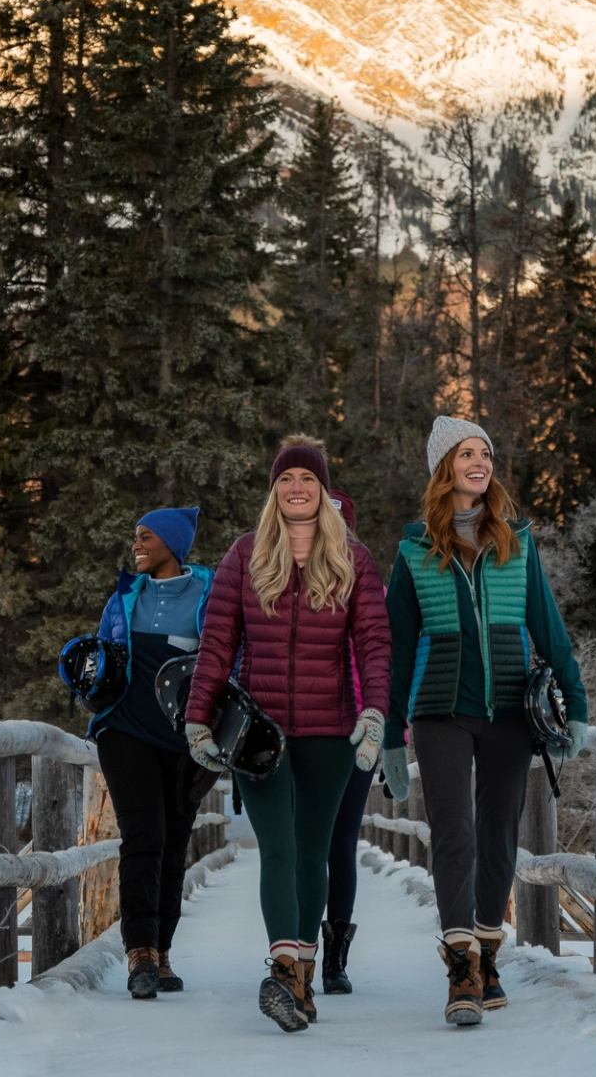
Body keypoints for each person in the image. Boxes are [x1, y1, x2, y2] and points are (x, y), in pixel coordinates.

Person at [382, 416, 589, 1027]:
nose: (480, 462)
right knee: (454, 833)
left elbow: (549, 629)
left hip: (509, 710)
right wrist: (393, 733)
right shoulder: (415, 550)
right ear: (443, 467)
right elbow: (396, 648)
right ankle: (460, 968)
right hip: (441, 710)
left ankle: (488, 949)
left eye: (486, 453)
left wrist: (574, 704)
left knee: (499, 833)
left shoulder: (516, 541)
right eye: (466, 453)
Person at [183, 438, 391, 1034]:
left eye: (307, 477)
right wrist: (199, 717)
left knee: (313, 851)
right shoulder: (244, 555)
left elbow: (375, 645)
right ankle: (282, 966)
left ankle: (301, 975)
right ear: (273, 490)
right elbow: (217, 642)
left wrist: (374, 714)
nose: (297, 486)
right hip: (261, 735)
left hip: (330, 732)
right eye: (286, 478)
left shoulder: (354, 558)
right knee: (277, 848)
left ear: (323, 490)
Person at [86, 506, 220, 1000]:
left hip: (187, 741)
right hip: (125, 731)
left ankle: (163, 951)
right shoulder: (124, 597)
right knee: (143, 837)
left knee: (173, 844)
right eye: (135, 536)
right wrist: (90, 681)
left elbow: (228, 659)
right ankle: (139, 951)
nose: (137, 545)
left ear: (173, 544)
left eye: (146, 537)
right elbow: (102, 656)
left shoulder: (209, 595)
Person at [319, 489, 373, 996]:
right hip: (303, 729)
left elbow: (385, 661)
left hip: (357, 732)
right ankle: (294, 950)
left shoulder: (366, 584)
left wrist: (390, 737)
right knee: (302, 844)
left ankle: (334, 960)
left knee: (341, 842)